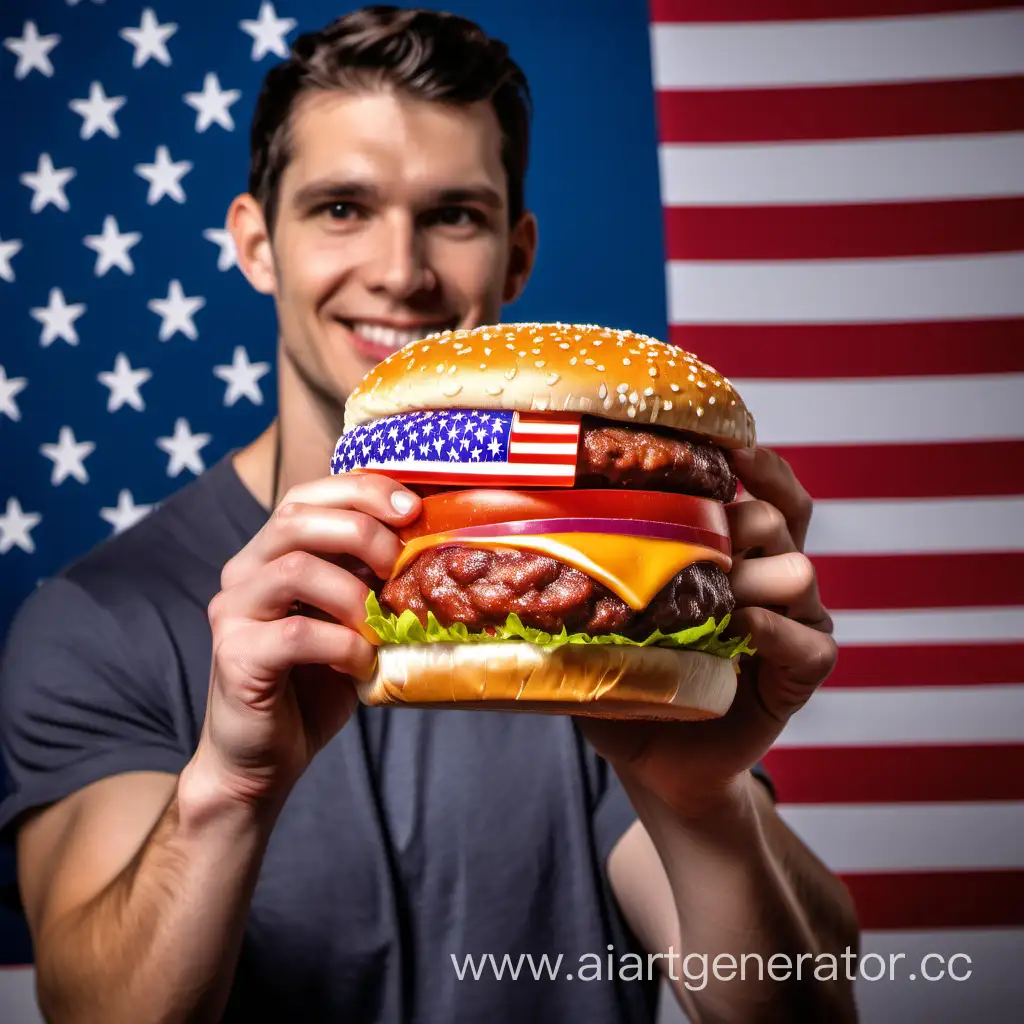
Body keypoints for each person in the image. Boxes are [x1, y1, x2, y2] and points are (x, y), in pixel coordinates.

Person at [0, 7, 859, 1023]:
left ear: (515, 254)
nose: (400, 273)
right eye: (340, 208)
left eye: (454, 214)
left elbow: (802, 1011)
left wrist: (699, 799)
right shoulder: (103, 619)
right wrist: (228, 788)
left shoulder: (592, 610)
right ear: (255, 241)